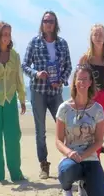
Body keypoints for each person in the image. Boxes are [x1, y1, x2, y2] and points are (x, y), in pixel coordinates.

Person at [22, 11, 72, 179]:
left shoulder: (63, 44)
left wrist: (62, 80)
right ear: (42, 23)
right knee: (40, 130)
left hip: (55, 91)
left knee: (66, 126)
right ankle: (44, 164)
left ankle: (70, 160)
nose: (48, 23)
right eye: (45, 21)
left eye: (51, 21)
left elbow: (69, 67)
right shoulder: (34, 43)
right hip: (38, 91)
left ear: (55, 23)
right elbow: (24, 65)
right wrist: (36, 73)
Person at [55, 65, 104, 196]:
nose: (82, 83)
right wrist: (70, 153)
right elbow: (58, 140)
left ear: (91, 82)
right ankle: (66, 190)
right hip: (71, 157)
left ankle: (84, 185)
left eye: (85, 79)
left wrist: (83, 156)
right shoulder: (64, 108)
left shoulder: (97, 109)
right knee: (67, 170)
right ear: (74, 82)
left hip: (90, 158)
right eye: (79, 79)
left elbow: (99, 141)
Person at [0, 21, 27, 184]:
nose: (6, 37)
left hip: (10, 100)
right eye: (4, 34)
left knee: (13, 137)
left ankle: (16, 174)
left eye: (8, 34)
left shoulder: (14, 55)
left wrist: (22, 99)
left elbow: (19, 79)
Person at [78, 24, 104, 122]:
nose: (98, 37)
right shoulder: (84, 59)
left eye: (101, 35)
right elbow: (78, 82)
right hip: (86, 98)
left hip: (102, 98)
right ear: (91, 38)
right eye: (95, 34)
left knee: (100, 133)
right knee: (85, 131)